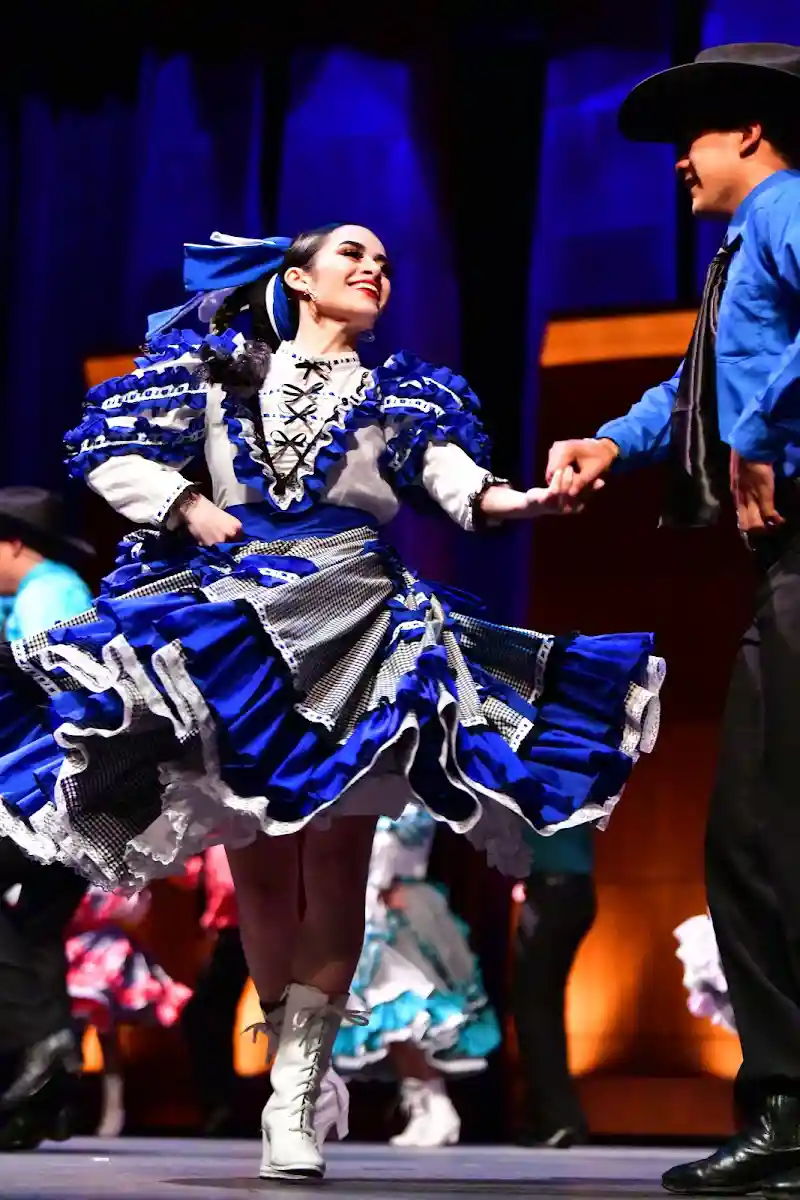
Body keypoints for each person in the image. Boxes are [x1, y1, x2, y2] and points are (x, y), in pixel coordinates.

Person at [0, 223, 663, 1181]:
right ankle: (291, 1075)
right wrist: (189, 510)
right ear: (299, 278)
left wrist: (522, 504)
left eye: (387, 264)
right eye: (354, 255)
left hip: (356, 620)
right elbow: (114, 454)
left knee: (339, 860)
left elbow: (457, 483)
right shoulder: (218, 373)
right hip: (239, 625)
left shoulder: (402, 391)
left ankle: (298, 1091)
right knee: (262, 874)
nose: (374, 270)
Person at [545, 43, 800, 1196]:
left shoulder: (793, 207)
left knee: (753, 835)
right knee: (762, 832)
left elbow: (758, 384)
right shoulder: (748, 246)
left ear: (746, 132)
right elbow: (693, 381)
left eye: (690, 143)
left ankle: (787, 1111)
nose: (678, 170)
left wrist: (761, 430)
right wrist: (613, 440)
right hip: (781, 567)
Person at [0, 487, 94, 1150]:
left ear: (11, 543)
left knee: (29, 932)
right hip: (70, 799)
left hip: (56, 796)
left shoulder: (47, 594)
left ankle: (42, 1042)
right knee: (32, 933)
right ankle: (46, 1089)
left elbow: (59, 693)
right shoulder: (42, 593)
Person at [333, 803, 501, 1147]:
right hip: (370, 911)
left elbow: (391, 850)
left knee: (405, 1012)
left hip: (399, 908)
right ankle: (426, 1105)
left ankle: (436, 1104)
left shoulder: (412, 799)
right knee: (388, 1021)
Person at [64, 885, 191, 1137]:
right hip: (75, 949)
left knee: (105, 1035)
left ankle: (112, 1111)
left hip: (106, 952)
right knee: (69, 1036)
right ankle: (64, 1108)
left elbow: (133, 907)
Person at [512, 825, 595, 1148]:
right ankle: (561, 1119)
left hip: (553, 888)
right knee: (543, 1004)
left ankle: (555, 1120)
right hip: (570, 888)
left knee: (533, 1006)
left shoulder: (544, 778)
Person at [173, 846, 250, 1136]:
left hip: (262, 927)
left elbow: (228, 886)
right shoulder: (213, 833)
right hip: (232, 933)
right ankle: (222, 1104)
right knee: (204, 1015)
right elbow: (191, 877)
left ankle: (227, 1104)